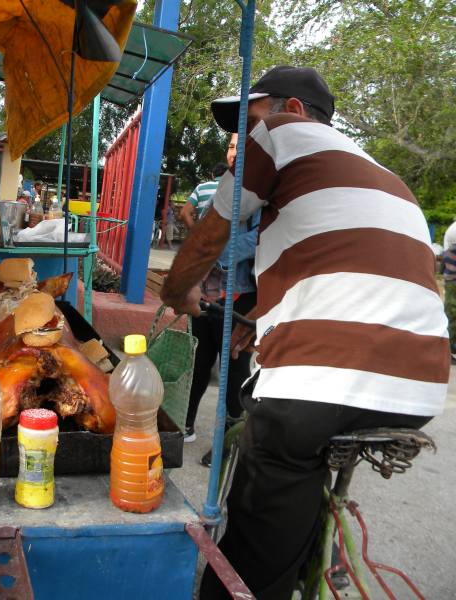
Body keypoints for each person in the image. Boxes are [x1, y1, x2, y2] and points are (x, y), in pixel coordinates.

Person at [161, 65, 447, 599]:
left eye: (249, 119)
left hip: (322, 386)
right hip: (420, 387)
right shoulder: (383, 176)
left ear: (290, 109)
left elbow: (210, 234)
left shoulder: (279, 136)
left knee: (254, 543)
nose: (241, 136)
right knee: (295, 470)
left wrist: (177, 291)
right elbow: (340, 278)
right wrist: (265, 329)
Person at [182, 137, 259, 464]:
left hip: (240, 298)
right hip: (207, 293)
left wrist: (211, 248)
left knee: (234, 371)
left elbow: (257, 240)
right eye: (230, 145)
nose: (234, 152)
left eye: (243, 146)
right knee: (198, 362)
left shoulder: (260, 194)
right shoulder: (217, 189)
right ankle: (184, 425)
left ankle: (230, 441)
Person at [180, 160, 230, 229]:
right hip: (228, 236)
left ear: (212, 175)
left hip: (204, 234)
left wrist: (195, 232)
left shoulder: (200, 188)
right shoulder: (235, 189)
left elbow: (184, 212)